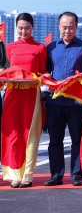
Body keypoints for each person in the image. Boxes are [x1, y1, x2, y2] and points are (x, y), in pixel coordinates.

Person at [2, 13, 46, 188]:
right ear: (16, 28)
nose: (24, 31)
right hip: (12, 93)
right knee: (12, 134)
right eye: (20, 27)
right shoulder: (10, 47)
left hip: (31, 94)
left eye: (27, 27)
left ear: (32, 27)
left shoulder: (40, 48)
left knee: (30, 134)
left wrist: (43, 78)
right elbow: (7, 70)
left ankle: (27, 174)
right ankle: (14, 174)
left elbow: (43, 73)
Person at [44, 12, 82, 187]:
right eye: (64, 27)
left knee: (77, 139)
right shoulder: (50, 48)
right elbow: (45, 71)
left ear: (76, 27)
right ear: (59, 27)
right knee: (55, 139)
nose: (67, 30)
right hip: (55, 100)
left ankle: (76, 174)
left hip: (76, 101)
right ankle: (56, 175)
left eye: (71, 27)